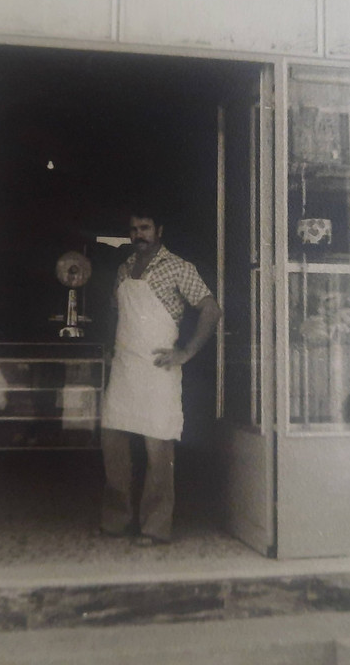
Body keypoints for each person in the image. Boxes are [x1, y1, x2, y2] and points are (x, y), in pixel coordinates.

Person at [99, 206, 222, 546]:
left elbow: (211, 310)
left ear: (160, 230)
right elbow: (115, 312)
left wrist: (186, 352)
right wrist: (110, 347)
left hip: (158, 370)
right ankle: (116, 520)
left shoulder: (179, 268)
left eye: (145, 227)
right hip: (124, 368)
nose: (138, 234)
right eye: (133, 228)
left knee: (158, 450)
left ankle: (154, 527)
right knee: (113, 445)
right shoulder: (123, 269)